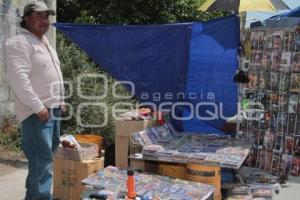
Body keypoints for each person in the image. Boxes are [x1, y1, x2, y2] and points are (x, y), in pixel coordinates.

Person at [4, 1, 65, 200]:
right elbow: (19, 80)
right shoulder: (19, 43)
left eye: (46, 16)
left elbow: (54, 74)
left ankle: (34, 196)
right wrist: (39, 107)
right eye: (38, 16)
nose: (44, 20)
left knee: (42, 161)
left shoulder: (45, 43)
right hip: (37, 113)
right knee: (42, 161)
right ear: (26, 18)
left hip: (52, 110)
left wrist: (61, 100)